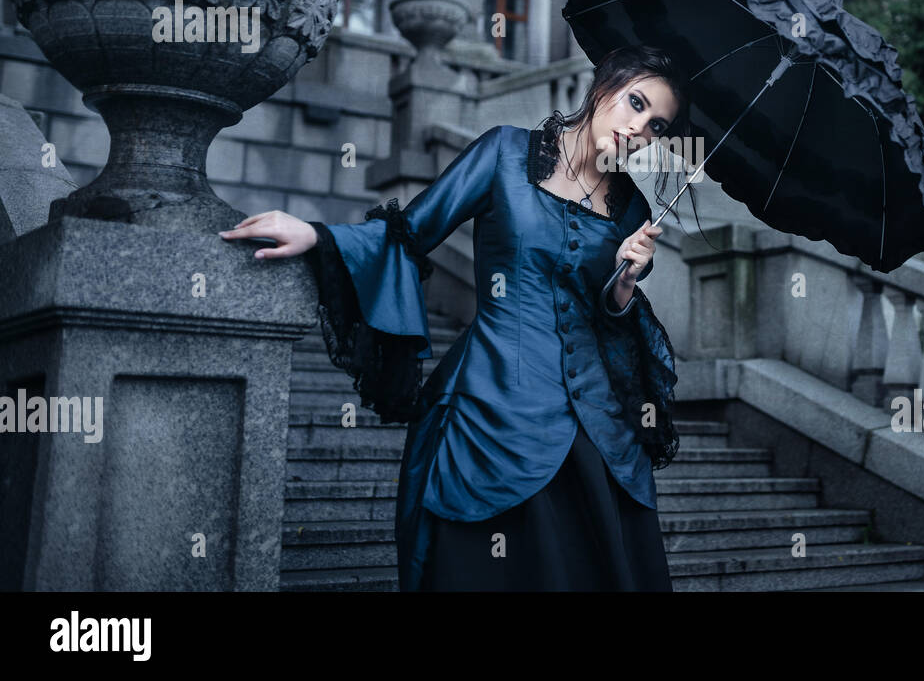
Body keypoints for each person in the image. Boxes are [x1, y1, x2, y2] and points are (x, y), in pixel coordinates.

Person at [218, 45, 701, 591]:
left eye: (656, 125)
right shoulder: (505, 153)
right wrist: (318, 236)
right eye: (635, 103)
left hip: (596, 429)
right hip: (492, 405)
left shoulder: (632, 209)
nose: (638, 127)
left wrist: (624, 284)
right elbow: (412, 233)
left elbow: (610, 323)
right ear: (601, 87)